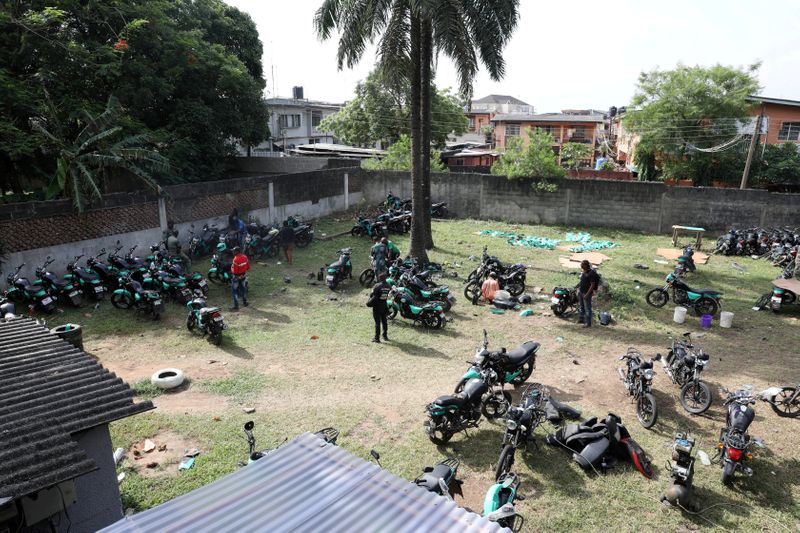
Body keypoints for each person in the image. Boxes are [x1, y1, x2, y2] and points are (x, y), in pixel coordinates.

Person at [367, 272, 391, 343]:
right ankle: (385, 336)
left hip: (377, 306)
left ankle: (377, 338)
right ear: (386, 278)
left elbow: (372, 295)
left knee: (377, 322)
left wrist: (369, 302)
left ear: (380, 278)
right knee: (384, 321)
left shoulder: (377, 286)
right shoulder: (389, 286)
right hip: (384, 305)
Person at [578, 260, 599, 327]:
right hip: (581, 292)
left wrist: (587, 294)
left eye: (582, 265)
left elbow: (592, 285)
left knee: (588, 308)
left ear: (586, 265)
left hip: (586, 293)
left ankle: (588, 323)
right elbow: (582, 281)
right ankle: (581, 319)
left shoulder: (591, 273)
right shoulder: (584, 272)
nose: (581, 266)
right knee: (581, 306)